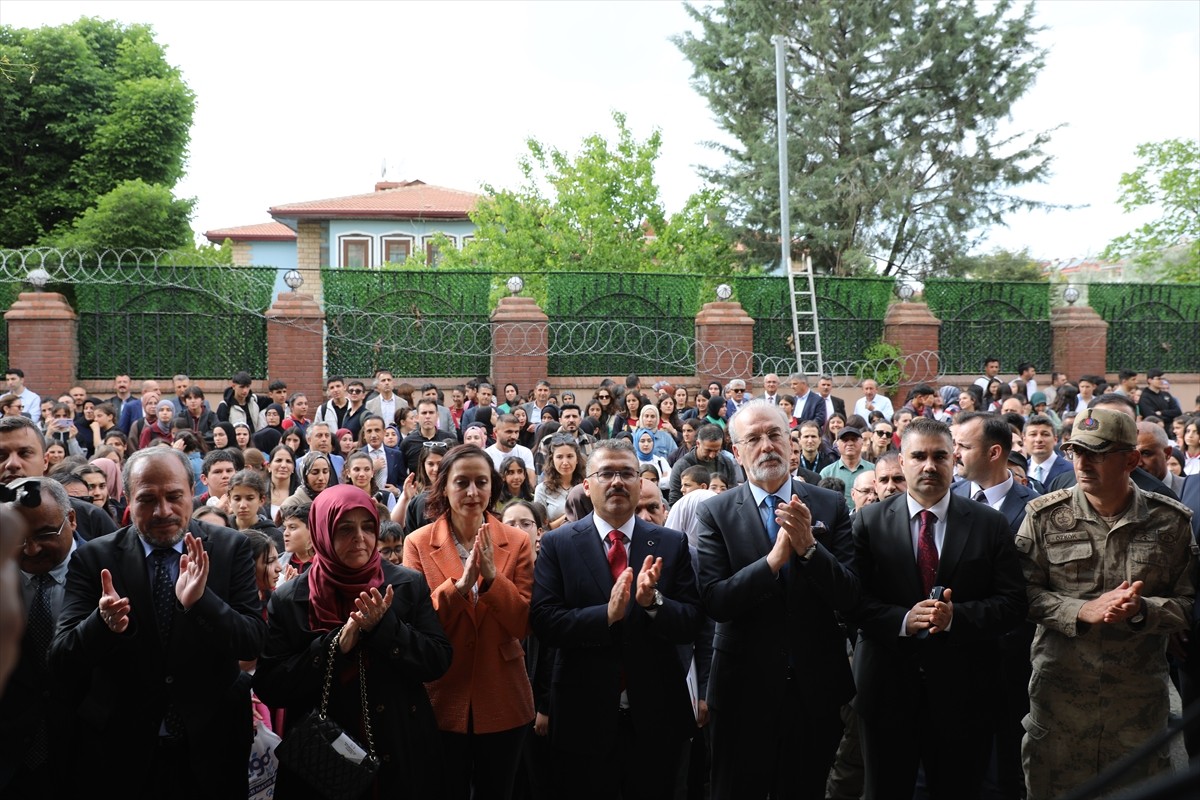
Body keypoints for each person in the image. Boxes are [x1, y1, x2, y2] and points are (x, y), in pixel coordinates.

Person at [49, 447, 267, 798]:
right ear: (128, 499)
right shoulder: (95, 557)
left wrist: (201, 603)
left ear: (193, 493)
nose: (162, 511)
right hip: (122, 752)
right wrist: (102, 624)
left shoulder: (231, 548)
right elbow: (61, 659)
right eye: (147, 499)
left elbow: (252, 642)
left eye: (174, 496)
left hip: (211, 748)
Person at [1015, 407, 1196, 800]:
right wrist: (1080, 610)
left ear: (1131, 459)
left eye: (1097, 453)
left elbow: (1188, 604)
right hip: (1060, 703)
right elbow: (1021, 595)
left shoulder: (1171, 522)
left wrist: (1143, 611)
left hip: (1136, 709)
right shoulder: (1045, 516)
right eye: (1076, 451)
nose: (1082, 463)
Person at [848, 417, 1027, 800]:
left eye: (940, 456)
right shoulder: (869, 522)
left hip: (965, 695)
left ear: (954, 459)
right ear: (902, 462)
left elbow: (1013, 604)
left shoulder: (989, 524)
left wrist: (955, 618)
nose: (930, 465)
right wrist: (901, 620)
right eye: (919, 456)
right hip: (887, 691)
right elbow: (852, 601)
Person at [695, 399, 859, 800]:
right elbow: (715, 600)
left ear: (790, 441)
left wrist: (808, 550)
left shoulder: (829, 504)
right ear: (737, 451)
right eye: (754, 438)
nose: (766, 445)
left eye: (774, 434)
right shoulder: (714, 512)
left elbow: (851, 596)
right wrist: (772, 562)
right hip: (741, 689)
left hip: (814, 688)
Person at [253, 484, 454, 799]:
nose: (360, 537)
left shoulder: (404, 583)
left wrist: (385, 629)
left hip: (399, 745)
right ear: (322, 532)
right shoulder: (291, 598)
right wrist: (336, 646)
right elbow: (271, 686)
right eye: (345, 528)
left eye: (367, 526)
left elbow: (437, 660)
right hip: (323, 756)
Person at [531, 438, 703, 800]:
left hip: (655, 714)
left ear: (641, 484)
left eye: (627, 473)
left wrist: (653, 602)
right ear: (586, 484)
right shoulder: (558, 544)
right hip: (583, 714)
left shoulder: (671, 543)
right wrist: (605, 616)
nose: (617, 482)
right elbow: (545, 622)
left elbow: (691, 621)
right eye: (606, 473)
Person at [402, 444, 536, 799]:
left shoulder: (518, 541)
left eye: (481, 482)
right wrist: (460, 587)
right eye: (462, 482)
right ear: (444, 486)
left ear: (493, 487)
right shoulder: (417, 543)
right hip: (442, 696)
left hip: (503, 694)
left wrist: (492, 580)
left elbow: (523, 623)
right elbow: (416, 624)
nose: (473, 492)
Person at [0, 478, 81, 796]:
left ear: (71, 520)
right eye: (21, 538)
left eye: (45, 534)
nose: (31, 549)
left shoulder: (112, 565)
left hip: (87, 758)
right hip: (11, 765)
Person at [534, 434, 586, 531]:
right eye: (559, 457)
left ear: (577, 459)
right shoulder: (542, 489)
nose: (565, 462)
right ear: (552, 460)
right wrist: (571, 513)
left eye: (570, 456)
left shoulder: (586, 486)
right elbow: (542, 527)